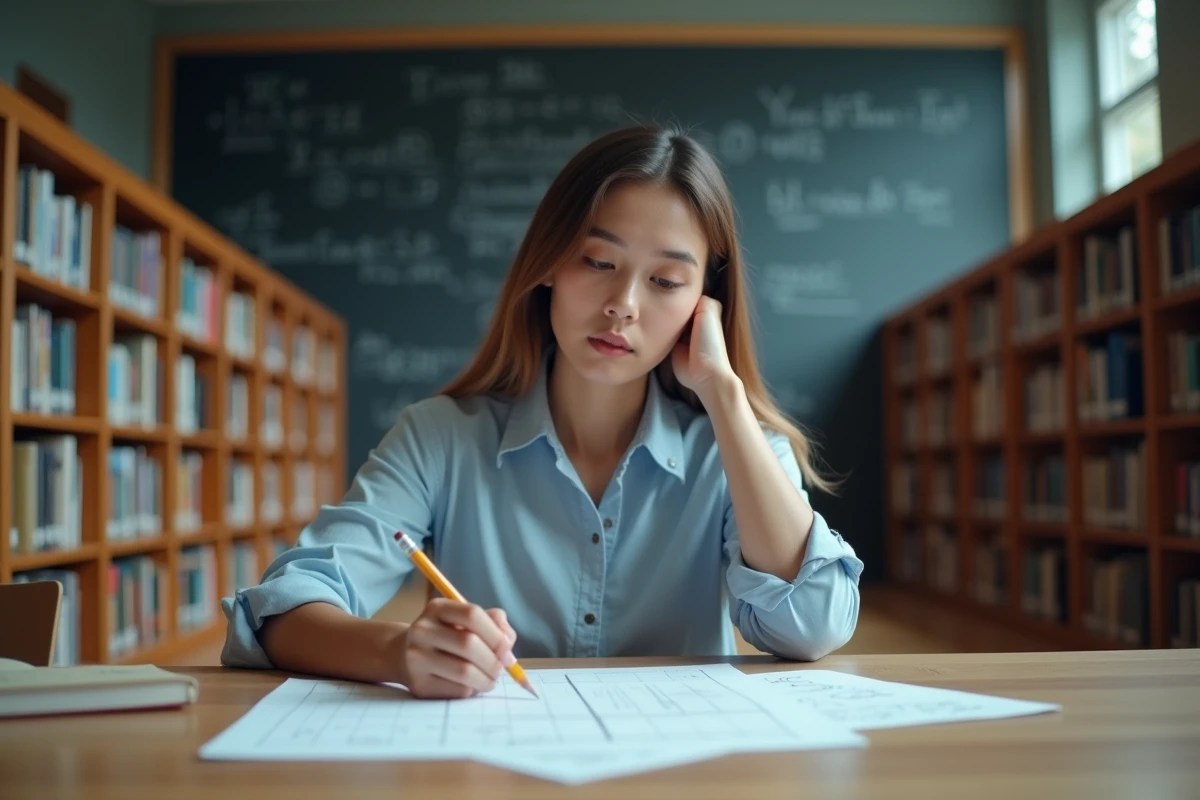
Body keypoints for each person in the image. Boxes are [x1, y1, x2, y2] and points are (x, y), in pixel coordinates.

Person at [220, 123, 863, 698]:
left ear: (705, 302)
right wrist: (398, 649)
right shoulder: (440, 438)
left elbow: (811, 628)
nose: (623, 304)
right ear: (550, 261)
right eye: (598, 261)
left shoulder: (739, 449)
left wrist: (723, 392)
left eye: (666, 281)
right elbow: (280, 610)